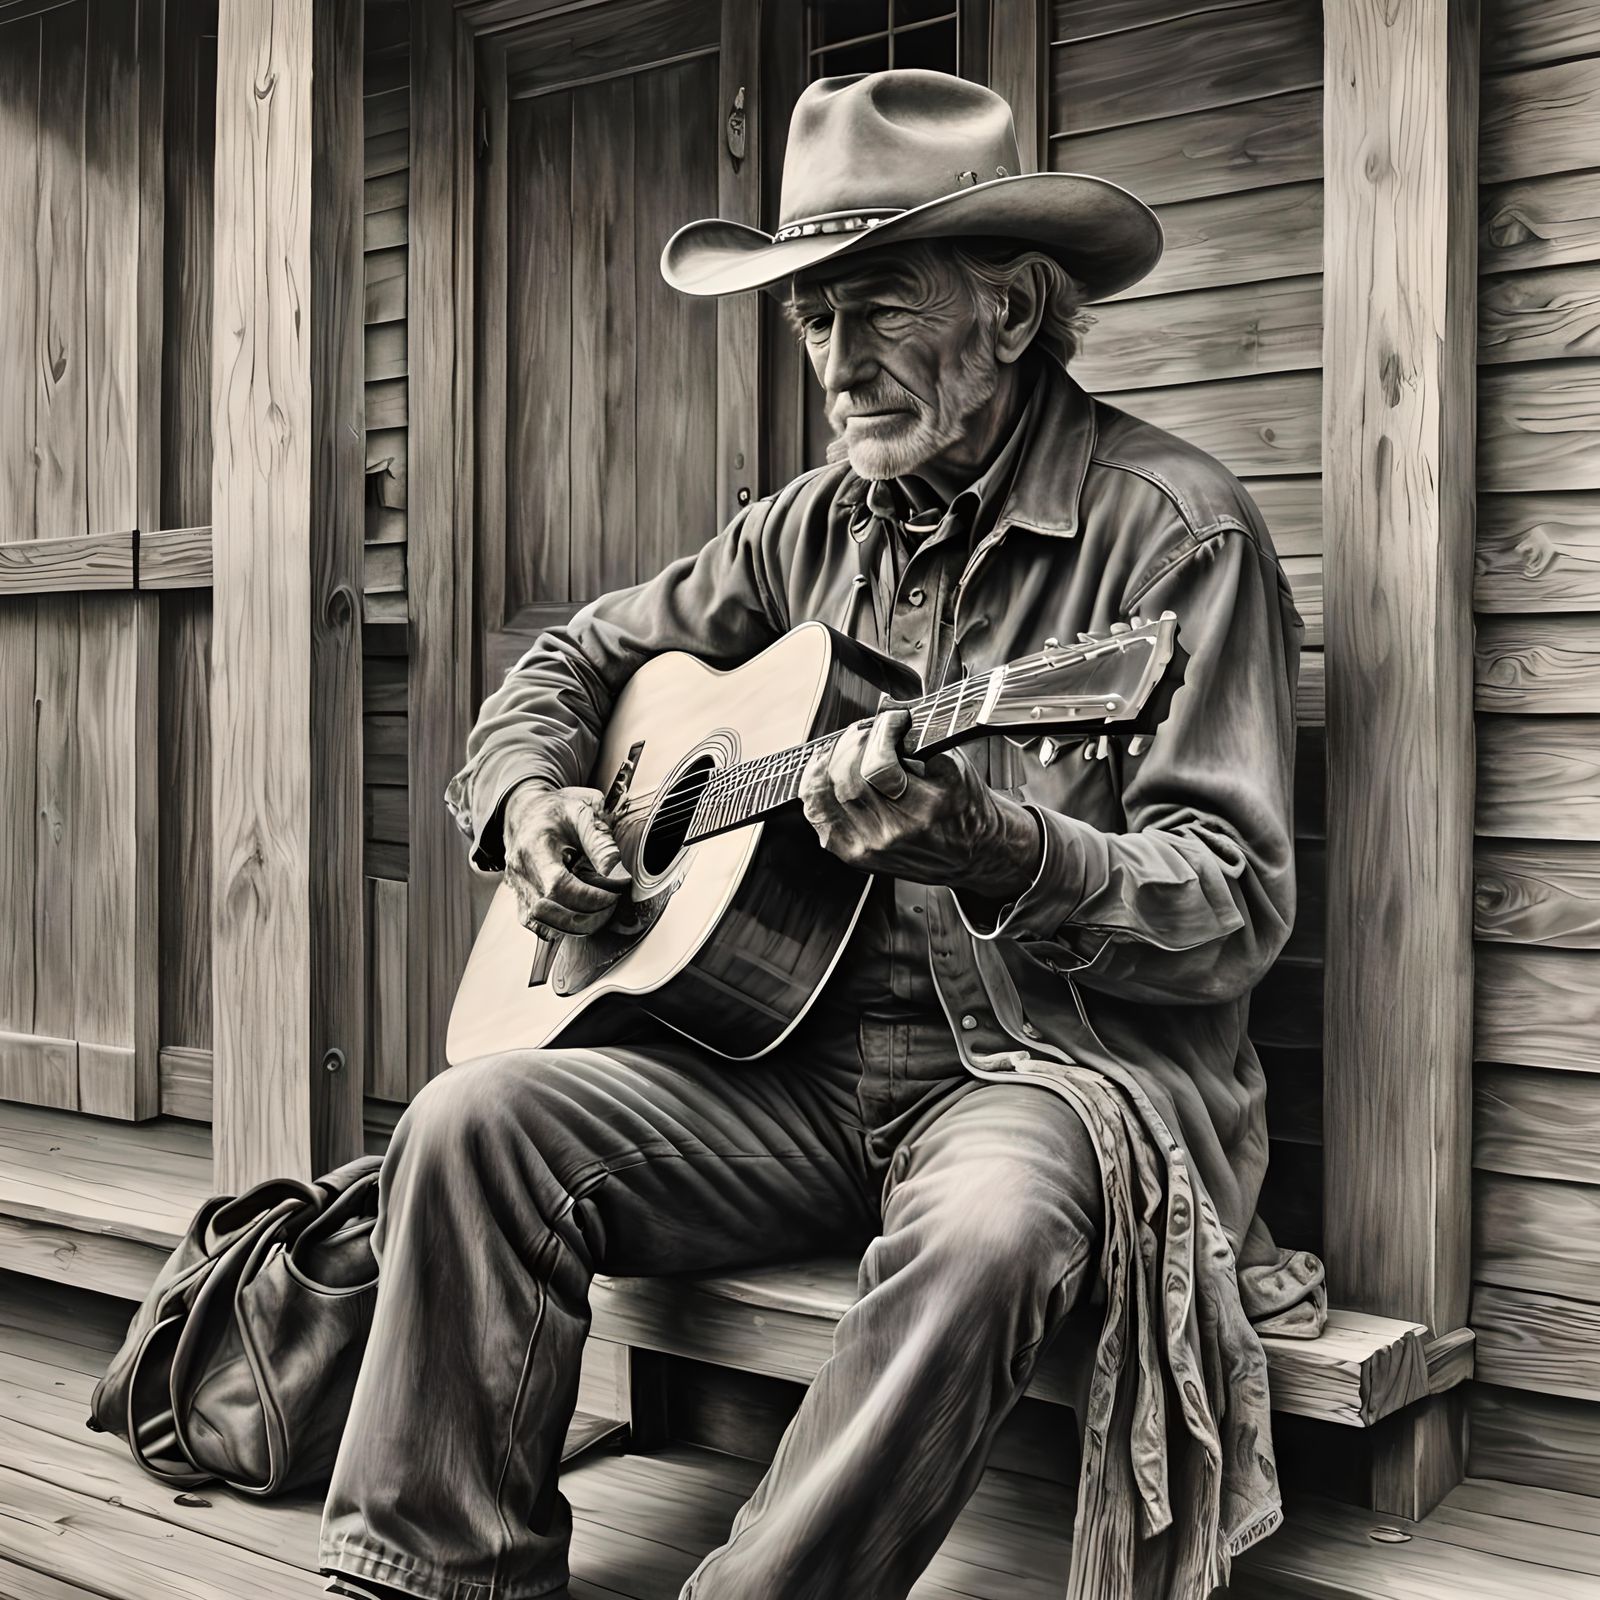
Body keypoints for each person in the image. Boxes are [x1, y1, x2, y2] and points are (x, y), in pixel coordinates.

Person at [321, 68, 1318, 1600]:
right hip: (779, 1077)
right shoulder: (803, 530)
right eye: (812, 320)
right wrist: (534, 799)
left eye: (878, 309)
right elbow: (569, 661)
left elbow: (1233, 903)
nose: (838, 366)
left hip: (1044, 1080)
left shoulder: (1174, 536)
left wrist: (998, 846)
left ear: (1012, 306)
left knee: (989, 1232)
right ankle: (439, 1575)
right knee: (469, 1123)